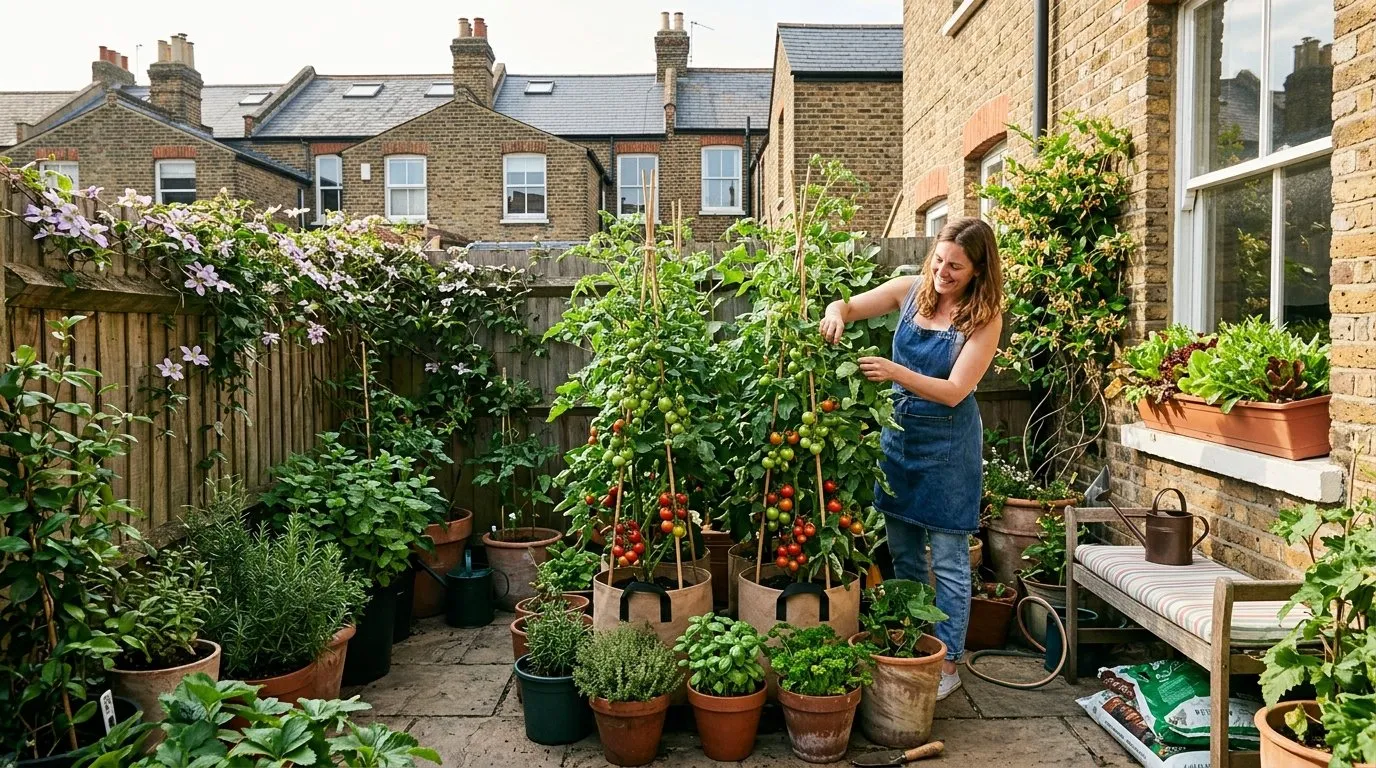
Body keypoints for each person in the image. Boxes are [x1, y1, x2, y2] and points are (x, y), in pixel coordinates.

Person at [819, 216, 1004, 701]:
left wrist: (895, 371)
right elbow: (849, 303)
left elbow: (954, 390)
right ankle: (912, 641)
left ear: (978, 272)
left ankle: (949, 663)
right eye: (939, 260)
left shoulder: (983, 319)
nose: (942, 272)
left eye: (956, 268)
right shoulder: (909, 290)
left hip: (947, 445)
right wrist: (837, 312)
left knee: (947, 558)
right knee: (902, 550)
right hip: (900, 437)